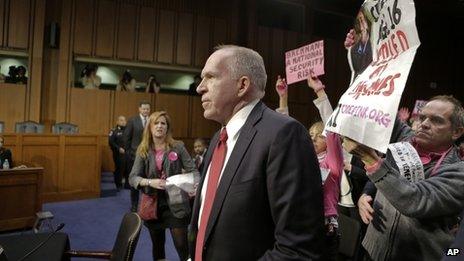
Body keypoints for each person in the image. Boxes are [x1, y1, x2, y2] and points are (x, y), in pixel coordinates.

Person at [190, 45, 325, 260]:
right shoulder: (218, 138)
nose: (200, 88)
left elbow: (297, 249)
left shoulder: (284, 135)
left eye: (210, 77)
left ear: (242, 85)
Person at [343, 95, 464, 260]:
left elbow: (417, 200)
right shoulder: (405, 139)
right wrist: (366, 193)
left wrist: (371, 160)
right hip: (373, 250)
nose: (424, 124)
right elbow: (377, 110)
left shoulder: (459, 172)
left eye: (436, 120)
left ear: (456, 132)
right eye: (422, 117)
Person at [129, 111, 198, 261]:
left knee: (182, 246)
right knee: (158, 247)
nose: (160, 126)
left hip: (176, 202)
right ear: (150, 127)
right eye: (156, 123)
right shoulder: (143, 150)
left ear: (167, 128)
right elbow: (132, 178)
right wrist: (149, 182)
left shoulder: (177, 147)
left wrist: (193, 185)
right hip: (153, 205)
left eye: (163, 123)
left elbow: (193, 170)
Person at [124, 101, 151, 212]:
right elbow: (126, 138)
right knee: (135, 181)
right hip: (134, 156)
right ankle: (134, 205)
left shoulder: (152, 120)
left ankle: (147, 205)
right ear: (139, 109)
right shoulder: (132, 120)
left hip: (149, 156)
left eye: (147, 109)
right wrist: (129, 152)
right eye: (144, 109)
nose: (146, 111)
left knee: (147, 181)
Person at [345, 10, 373, 80]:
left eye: (363, 20)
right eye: (359, 21)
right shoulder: (358, 45)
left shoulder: (374, 44)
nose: (361, 25)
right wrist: (351, 49)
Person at [109, 116, 127, 191]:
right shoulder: (113, 131)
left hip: (127, 153)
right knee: (119, 168)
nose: (123, 122)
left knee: (127, 168)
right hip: (118, 153)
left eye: (124, 120)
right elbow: (111, 142)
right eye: (121, 120)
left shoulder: (128, 131)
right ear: (117, 122)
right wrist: (118, 148)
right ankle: (118, 184)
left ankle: (127, 184)